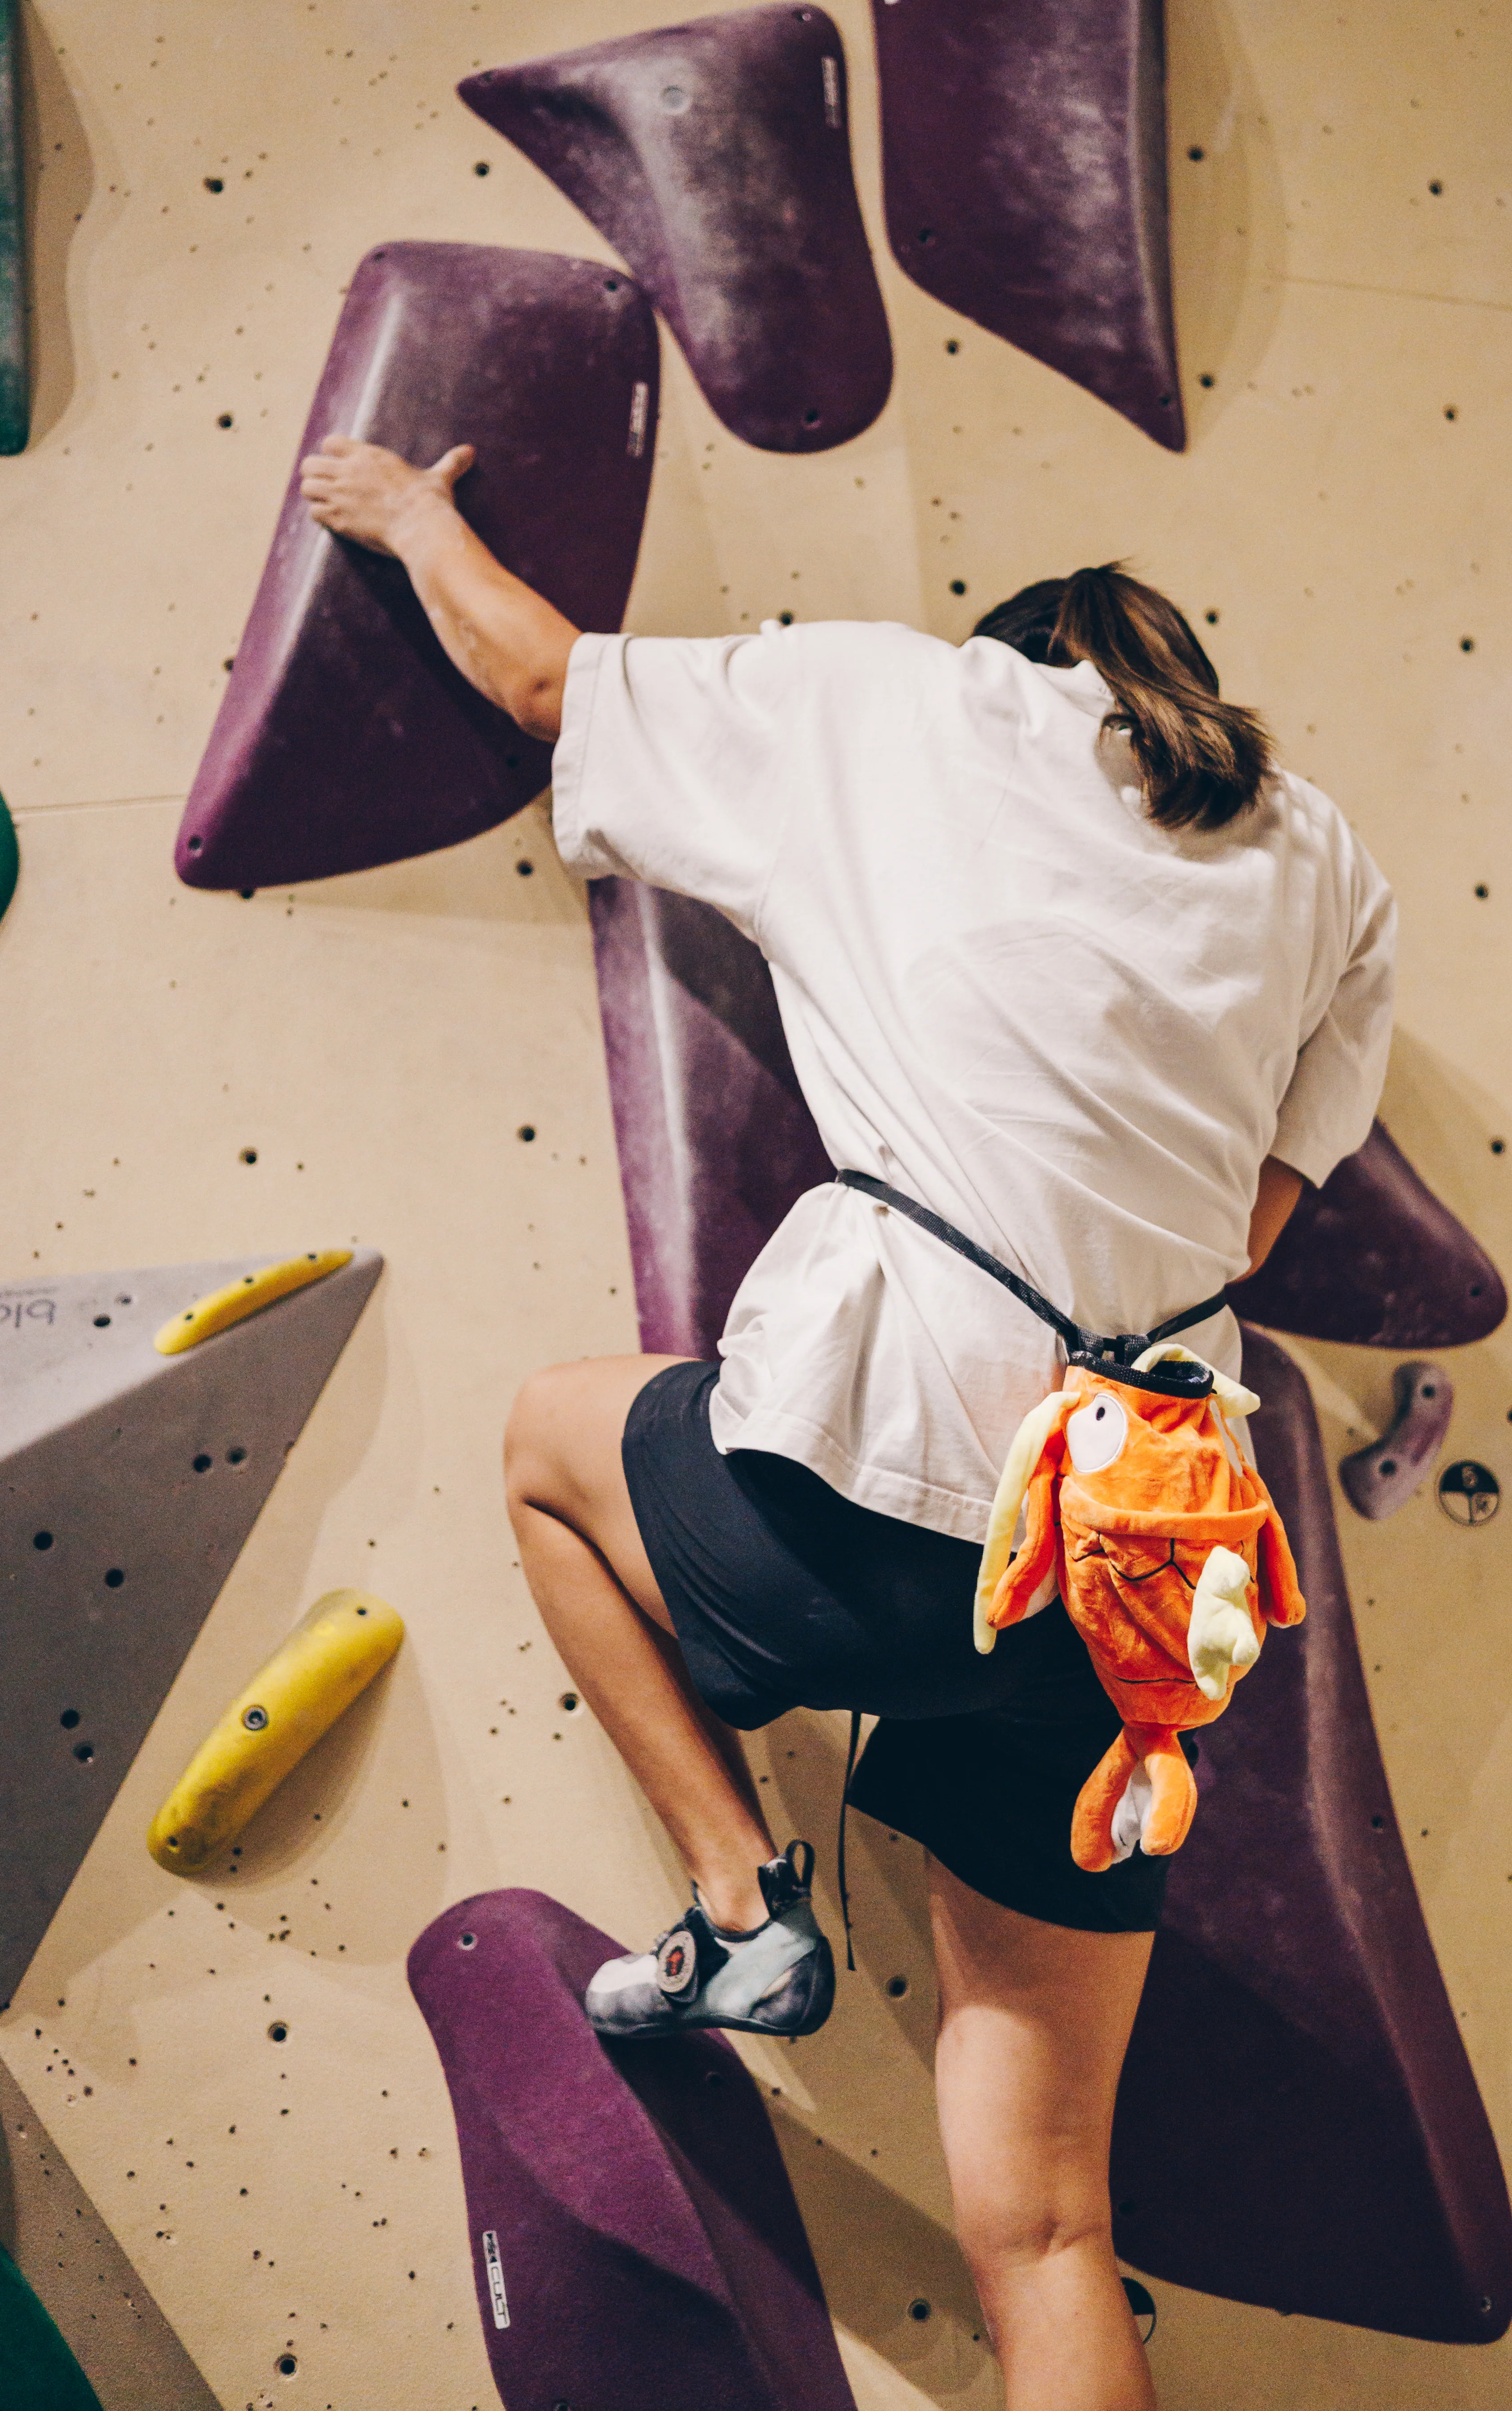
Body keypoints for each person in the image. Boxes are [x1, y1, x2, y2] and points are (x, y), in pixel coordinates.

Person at [300, 434, 1395, 2411]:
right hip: (1129, 1592)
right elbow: (1254, 1218)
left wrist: (409, 516)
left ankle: (738, 1905)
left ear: (1016, 657)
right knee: (1050, 2225)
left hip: (880, 1502)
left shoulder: (893, 701)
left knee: (552, 1445)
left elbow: (553, 682)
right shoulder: (1322, 857)